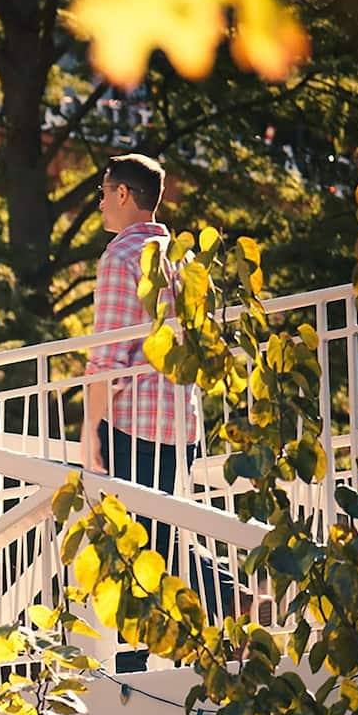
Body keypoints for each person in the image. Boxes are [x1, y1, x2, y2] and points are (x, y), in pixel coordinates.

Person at [80, 154, 238, 625]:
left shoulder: (121, 257)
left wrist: (90, 431)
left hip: (131, 422)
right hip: (180, 421)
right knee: (158, 537)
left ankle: (228, 599)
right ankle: (234, 598)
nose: (102, 203)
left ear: (123, 194)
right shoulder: (183, 259)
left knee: (134, 548)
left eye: (105, 193)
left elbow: (107, 357)